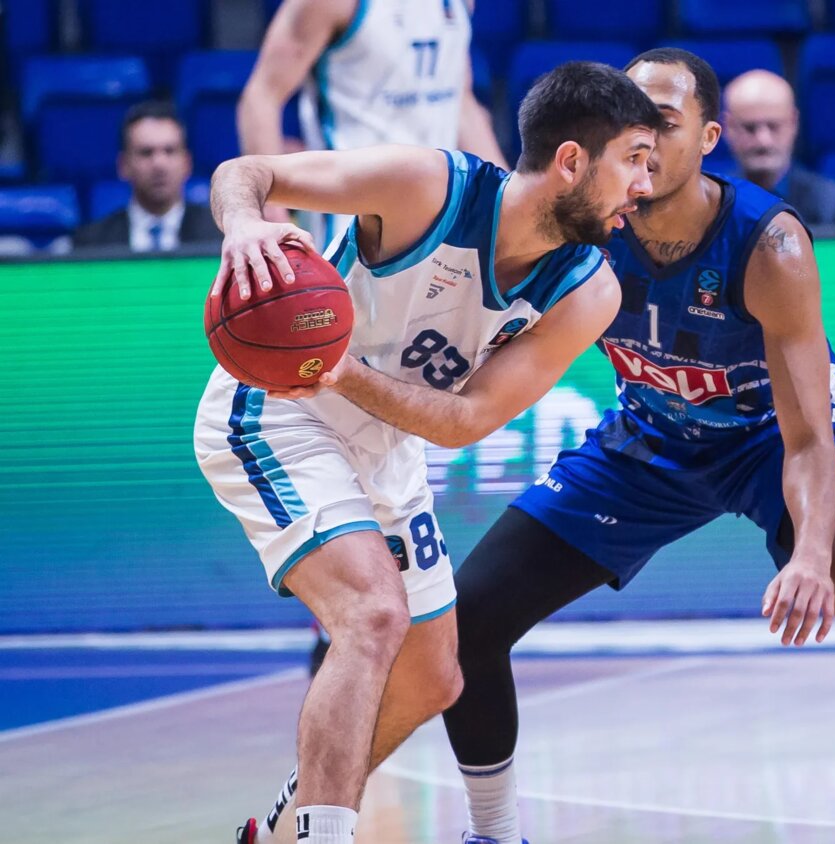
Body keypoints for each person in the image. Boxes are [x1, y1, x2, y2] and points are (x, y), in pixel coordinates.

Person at [440, 49, 835, 844]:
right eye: (631, 122)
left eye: (663, 122)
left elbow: (806, 435)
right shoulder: (583, 227)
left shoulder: (770, 245)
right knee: (468, 618)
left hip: (770, 435)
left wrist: (808, 554)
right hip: (650, 433)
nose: (645, 141)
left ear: (709, 137)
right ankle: (492, 833)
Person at [194, 60, 660, 844]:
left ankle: (288, 821)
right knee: (372, 615)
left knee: (436, 676)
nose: (645, 185)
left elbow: (466, 420)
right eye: (635, 159)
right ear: (573, 160)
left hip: (386, 445)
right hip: (277, 413)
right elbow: (248, 171)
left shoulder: (589, 291)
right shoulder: (426, 187)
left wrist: (348, 374)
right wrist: (245, 224)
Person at [238, 0, 508, 243]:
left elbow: (461, 105)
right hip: (350, 226)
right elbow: (262, 96)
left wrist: (507, 193)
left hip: (441, 220)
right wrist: (274, 215)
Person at [73, 101, 221, 251]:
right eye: (146, 152)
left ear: (187, 163)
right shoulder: (91, 243)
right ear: (123, 166)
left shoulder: (220, 237)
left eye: (169, 151)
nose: (159, 164)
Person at [722, 68, 835, 225]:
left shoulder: (834, 204)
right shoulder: (709, 206)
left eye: (774, 126)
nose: (763, 141)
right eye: (750, 128)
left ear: (793, 123)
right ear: (728, 127)